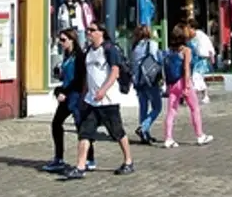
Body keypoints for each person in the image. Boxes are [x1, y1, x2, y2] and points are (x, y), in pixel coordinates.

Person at [61, 23, 134, 179]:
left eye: (93, 30)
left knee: (117, 132)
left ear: (101, 32)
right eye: (88, 30)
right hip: (91, 101)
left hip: (108, 101)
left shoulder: (109, 49)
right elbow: (89, 75)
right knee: (84, 133)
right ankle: (80, 167)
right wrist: (84, 94)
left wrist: (103, 90)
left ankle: (128, 161)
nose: (89, 33)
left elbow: (115, 71)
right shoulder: (88, 51)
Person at [43, 29, 91, 172]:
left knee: (81, 128)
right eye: (60, 40)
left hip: (75, 96)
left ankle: (89, 159)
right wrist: (59, 88)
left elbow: (79, 79)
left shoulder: (79, 57)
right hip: (66, 95)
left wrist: (66, 92)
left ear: (72, 40)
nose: (61, 43)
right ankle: (59, 158)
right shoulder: (67, 55)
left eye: (63, 40)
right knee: (56, 124)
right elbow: (66, 77)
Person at [162, 23, 212, 147]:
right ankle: (200, 135)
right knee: (194, 108)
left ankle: (168, 138)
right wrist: (186, 86)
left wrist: (167, 84)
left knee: (171, 111)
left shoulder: (169, 51)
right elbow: (186, 69)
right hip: (183, 81)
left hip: (172, 83)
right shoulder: (186, 50)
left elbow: (166, 68)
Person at [130, 25, 164, 145]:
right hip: (150, 79)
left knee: (143, 107)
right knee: (157, 107)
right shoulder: (151, 44)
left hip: (138, 80)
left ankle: (145, 135)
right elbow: (156, 60)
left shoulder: (134, 47)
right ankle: (143, 128)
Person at [188, 20, 216, 104]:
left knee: (196, 77)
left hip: (202, 59)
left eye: (189, 28)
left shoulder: (199, 35)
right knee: (198, 78)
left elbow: (205, 46)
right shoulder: (195, 37)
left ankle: (199, 96)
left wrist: (210, 54)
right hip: (198, 59)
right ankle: (204, 96)